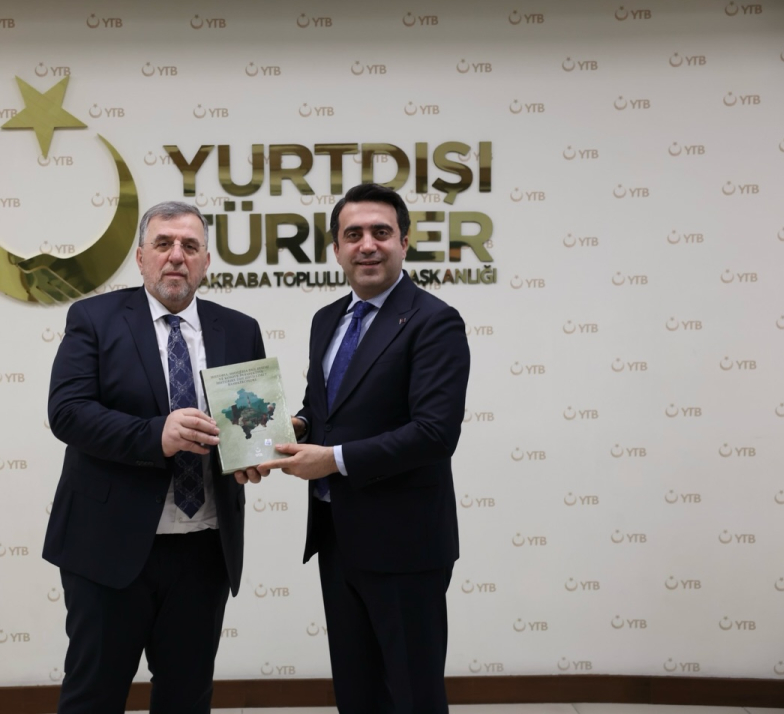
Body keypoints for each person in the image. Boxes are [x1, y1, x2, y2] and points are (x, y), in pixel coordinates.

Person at [252, 183, 470, 713]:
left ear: (404, 242)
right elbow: (322, 406)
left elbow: (435, 432)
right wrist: (295, 426)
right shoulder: (327, 319)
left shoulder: (434, 321)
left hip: (405, 545)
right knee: (357, 693)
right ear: (336, 249)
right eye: (353, 234)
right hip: (338, 538)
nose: (367, 245)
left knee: (413, 695)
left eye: (380, 232)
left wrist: (332, 460)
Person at [43, 201, 265, 714]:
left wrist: (256, 451)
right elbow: (67, 412)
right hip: (108, 547)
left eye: (190, 246)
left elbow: (249, 419)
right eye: (163, 244)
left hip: (204, 549)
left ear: (206, 261)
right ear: (141, 257)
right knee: (93, 697)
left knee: (187, 698)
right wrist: (154, 434)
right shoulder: (94, 319)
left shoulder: (240, 328)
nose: (176, 256)